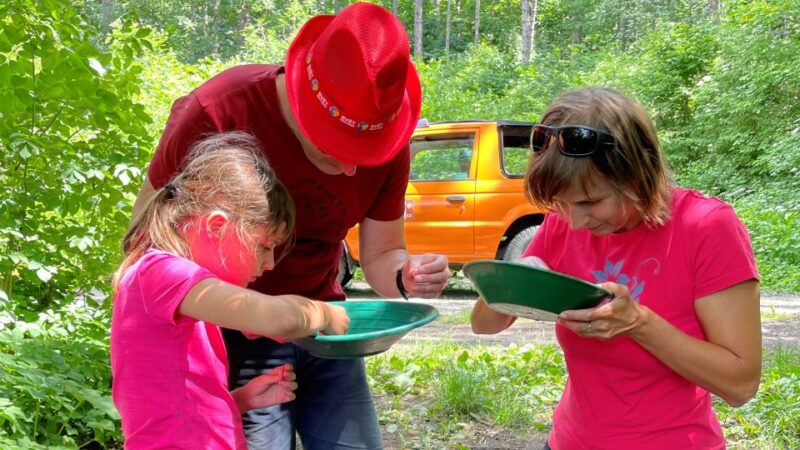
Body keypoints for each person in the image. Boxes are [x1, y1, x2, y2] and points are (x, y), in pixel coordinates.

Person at [130, 3, 450, 448]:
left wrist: (404, 275)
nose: (350, 171)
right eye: (335, 148)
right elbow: (147, 240)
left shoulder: (386, 138)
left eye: (366, 153)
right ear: (301, 102)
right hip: (233, 325)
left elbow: (380, 255)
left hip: (333, 334)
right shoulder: (219, 111)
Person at [471, 88, 761, 449]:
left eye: (592, 201)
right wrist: (512, 280)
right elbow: (483, 325)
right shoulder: (564, 220)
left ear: (639, 174)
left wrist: (639, 323)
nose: (575, 223)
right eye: (562, 203)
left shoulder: (705, 227)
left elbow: (741, 384)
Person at [112, 132, 351, 448]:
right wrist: (322, 311)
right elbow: (276, 318)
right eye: (264, 246)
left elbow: (168, 406)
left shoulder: (178, 292)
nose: (269, 264)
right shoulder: (162, 273)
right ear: (215, 227)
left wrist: (235, 401)